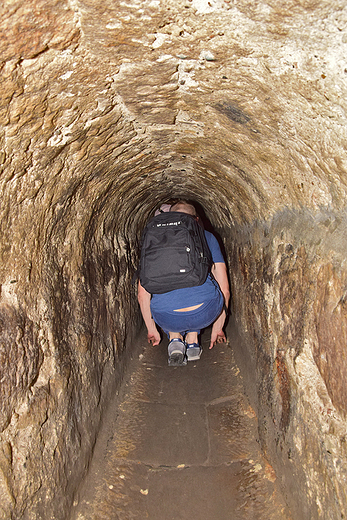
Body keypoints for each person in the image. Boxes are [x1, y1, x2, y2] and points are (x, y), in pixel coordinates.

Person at [137, 200, 230, 366]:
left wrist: (152, 329)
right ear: (196, 219)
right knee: (205, 287)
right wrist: (218, 327)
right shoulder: (207, 236)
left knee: (168, 296)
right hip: (205, 313)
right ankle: (193, 339)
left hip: (166, 317)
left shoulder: (153, 239)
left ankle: (174, 339)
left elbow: (142, 294)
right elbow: (224, 289)